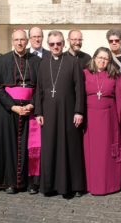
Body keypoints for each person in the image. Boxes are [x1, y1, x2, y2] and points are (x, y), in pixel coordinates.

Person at [35, 30, 86, 198]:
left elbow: (80, 89)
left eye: (58, 43)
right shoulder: (43, 64)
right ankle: (50, 186)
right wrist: (38, 112)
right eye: (51, 44)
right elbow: (39, 90)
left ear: (64, 44)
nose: (55, 46)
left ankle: (75, 185)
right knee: (50, 148)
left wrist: (79, 111)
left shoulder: (72, 62)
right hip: (48, 114)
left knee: (71, 148)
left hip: (68, 112)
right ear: (48, 45)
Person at [0, 29, 42, 195]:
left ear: (27, 41)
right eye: (17, 40)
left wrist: (31, 105)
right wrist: (13, 107)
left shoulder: (37, 61)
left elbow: (41, 88)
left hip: (30, 111)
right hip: (9, 111)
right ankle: (11, 182)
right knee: (10, 146)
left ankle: (31, 182)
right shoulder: (3, 60)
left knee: (31, 147)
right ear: (12, 41)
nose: (20, 43)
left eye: (22, 40)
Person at [83, 47, 121, 195]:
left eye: (106, 59)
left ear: (109, 61)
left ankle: (108, 185)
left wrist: (118, 120)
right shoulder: (85, 74)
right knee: (91, 152)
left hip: (108, 119)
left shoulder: (115, 75)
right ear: (94, 58)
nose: (102, 61)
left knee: (106, 152)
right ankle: (89, 184)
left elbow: (120, 99)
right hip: (89, 118)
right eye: (100, 57)